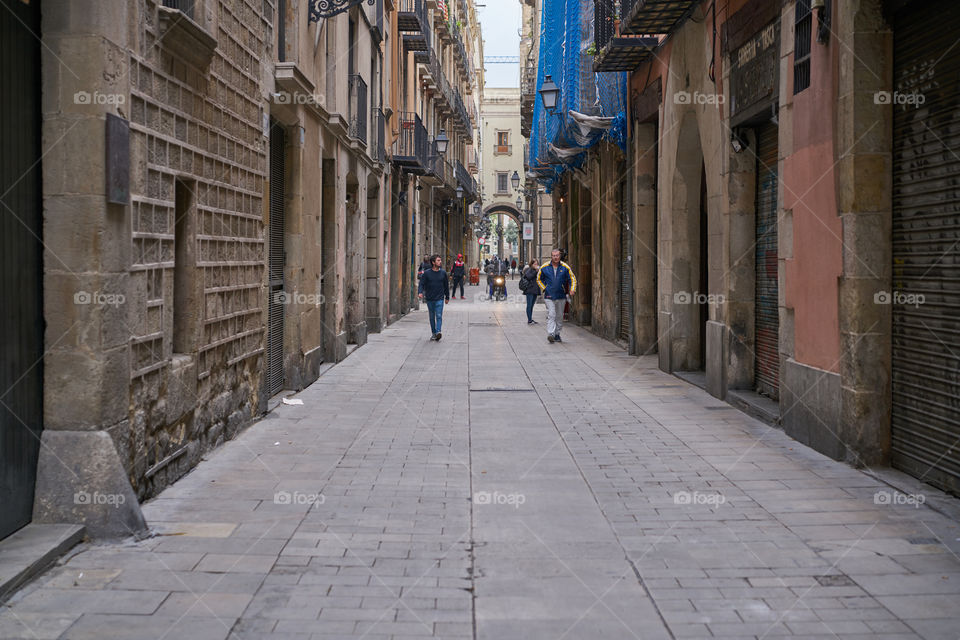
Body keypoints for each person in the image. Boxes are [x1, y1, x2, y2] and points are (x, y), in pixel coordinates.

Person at [536, 249, 577, 343]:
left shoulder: (565, 267)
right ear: (551, 256)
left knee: (559, 316)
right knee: (551, 314)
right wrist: (544, 288)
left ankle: (557, 333)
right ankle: (551, 334)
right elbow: (538, 279)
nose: (555, 257)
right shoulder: (545, 267)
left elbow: (572, 278)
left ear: (560, 256)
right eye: (554, 255)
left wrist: (572, 289)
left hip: (561, 295)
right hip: (549, 295)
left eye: (557, 255)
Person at [418, 254, 449, 341]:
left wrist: (447, 297)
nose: (440, 262)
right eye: (438, 260)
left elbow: (446, 286)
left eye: (440, 260)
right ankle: (433, 333)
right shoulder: (427, 273)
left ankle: (438, 331)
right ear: (433, 262)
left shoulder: (443, 273)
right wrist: (420, 292)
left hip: (440, 298)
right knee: (432, 317)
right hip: (430, 298)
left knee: (439, 315)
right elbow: (421, 284)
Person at [520, 259, 540, 325]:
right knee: (529, 305)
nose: (536, 265)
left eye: (537, 264)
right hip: (529, 290)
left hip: (535, 290)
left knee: (532, 305)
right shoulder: (529, 270)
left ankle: (530, 319)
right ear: (531, 264)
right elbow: (528, 277)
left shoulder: (536, 270)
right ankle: (529, 320)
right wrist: (536, 272)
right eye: (534, 264)